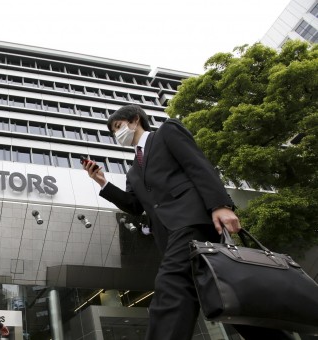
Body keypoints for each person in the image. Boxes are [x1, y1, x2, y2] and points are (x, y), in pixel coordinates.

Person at [83, 105, 292, 340]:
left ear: (134, 119)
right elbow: (135, 206)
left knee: (171, 286)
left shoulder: (167, 132)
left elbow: (197, 165)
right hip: (170, 237)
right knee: (228, 299)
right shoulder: (132, 172)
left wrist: (220, 205)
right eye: (113, 132)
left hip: (192, 222)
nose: (116, 134)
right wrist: (103, 183)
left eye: (118, 126)